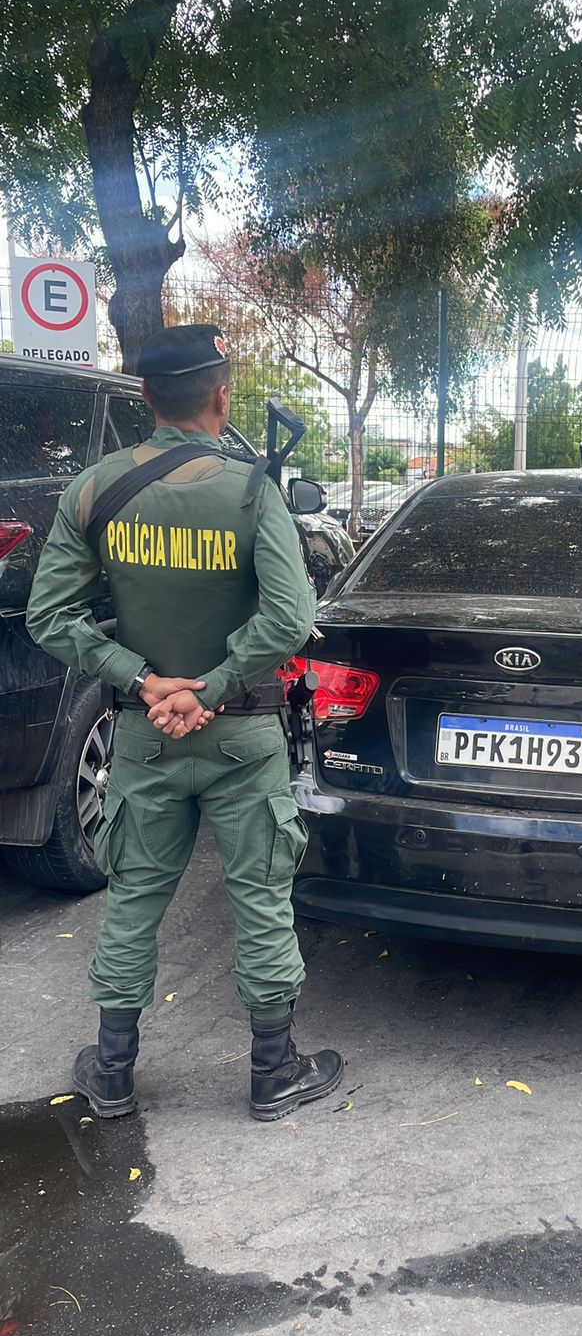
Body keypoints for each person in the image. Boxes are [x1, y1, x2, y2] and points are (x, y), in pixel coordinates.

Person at [26, 324, 344, 1123]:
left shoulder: (94, 490)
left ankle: (112, 1072)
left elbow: (49, 616)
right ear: (221, 396)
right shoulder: (250, 490)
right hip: (242, 735)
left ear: (144, 399)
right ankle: (274, 1071)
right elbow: (291, 615)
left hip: (142, 731)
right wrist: (216, 685)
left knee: (133, 895)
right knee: (262, 897)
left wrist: (142, 679)